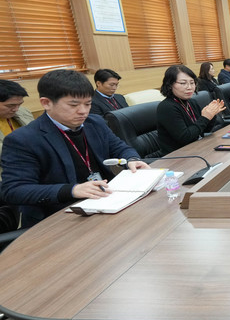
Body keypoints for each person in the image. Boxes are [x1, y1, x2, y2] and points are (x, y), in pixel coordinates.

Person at [1, 70, 149, 228]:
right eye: (73, 105)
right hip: (60, 218)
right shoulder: (23, 139)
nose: (83, 111)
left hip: (106, 203)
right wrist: (72, 190)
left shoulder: (95, 122)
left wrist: (132, 159)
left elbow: (120, 147)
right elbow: (14, 190)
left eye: (88, 104)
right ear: (46, 103)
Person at [156, 65, 225, 156]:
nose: (189, 87)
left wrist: (211, 115)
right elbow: (185, 138)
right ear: (170, 85)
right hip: (178, 156)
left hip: (197, 149)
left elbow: (203, 130)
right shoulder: (166, 107)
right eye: (183, 83)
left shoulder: (191, 102)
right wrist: (205, 118)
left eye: (192, 83)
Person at [0, 80, 34, 181]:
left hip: (31, 166)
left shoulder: (23, 112)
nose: (16, 109)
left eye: (19, 104)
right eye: (10, 106)